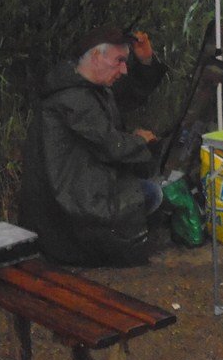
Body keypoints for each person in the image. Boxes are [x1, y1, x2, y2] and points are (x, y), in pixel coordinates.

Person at [20, 25, 167, 266]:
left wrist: (146, 61)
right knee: (153, 193)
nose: (124, 69)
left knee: (149, 186)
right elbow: (111, 145)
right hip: (69, 205)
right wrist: (142, 141)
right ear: (97, 56)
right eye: (119, 61)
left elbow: (129, 94)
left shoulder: (86, 86)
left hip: (79, 187)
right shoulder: (73, 99)